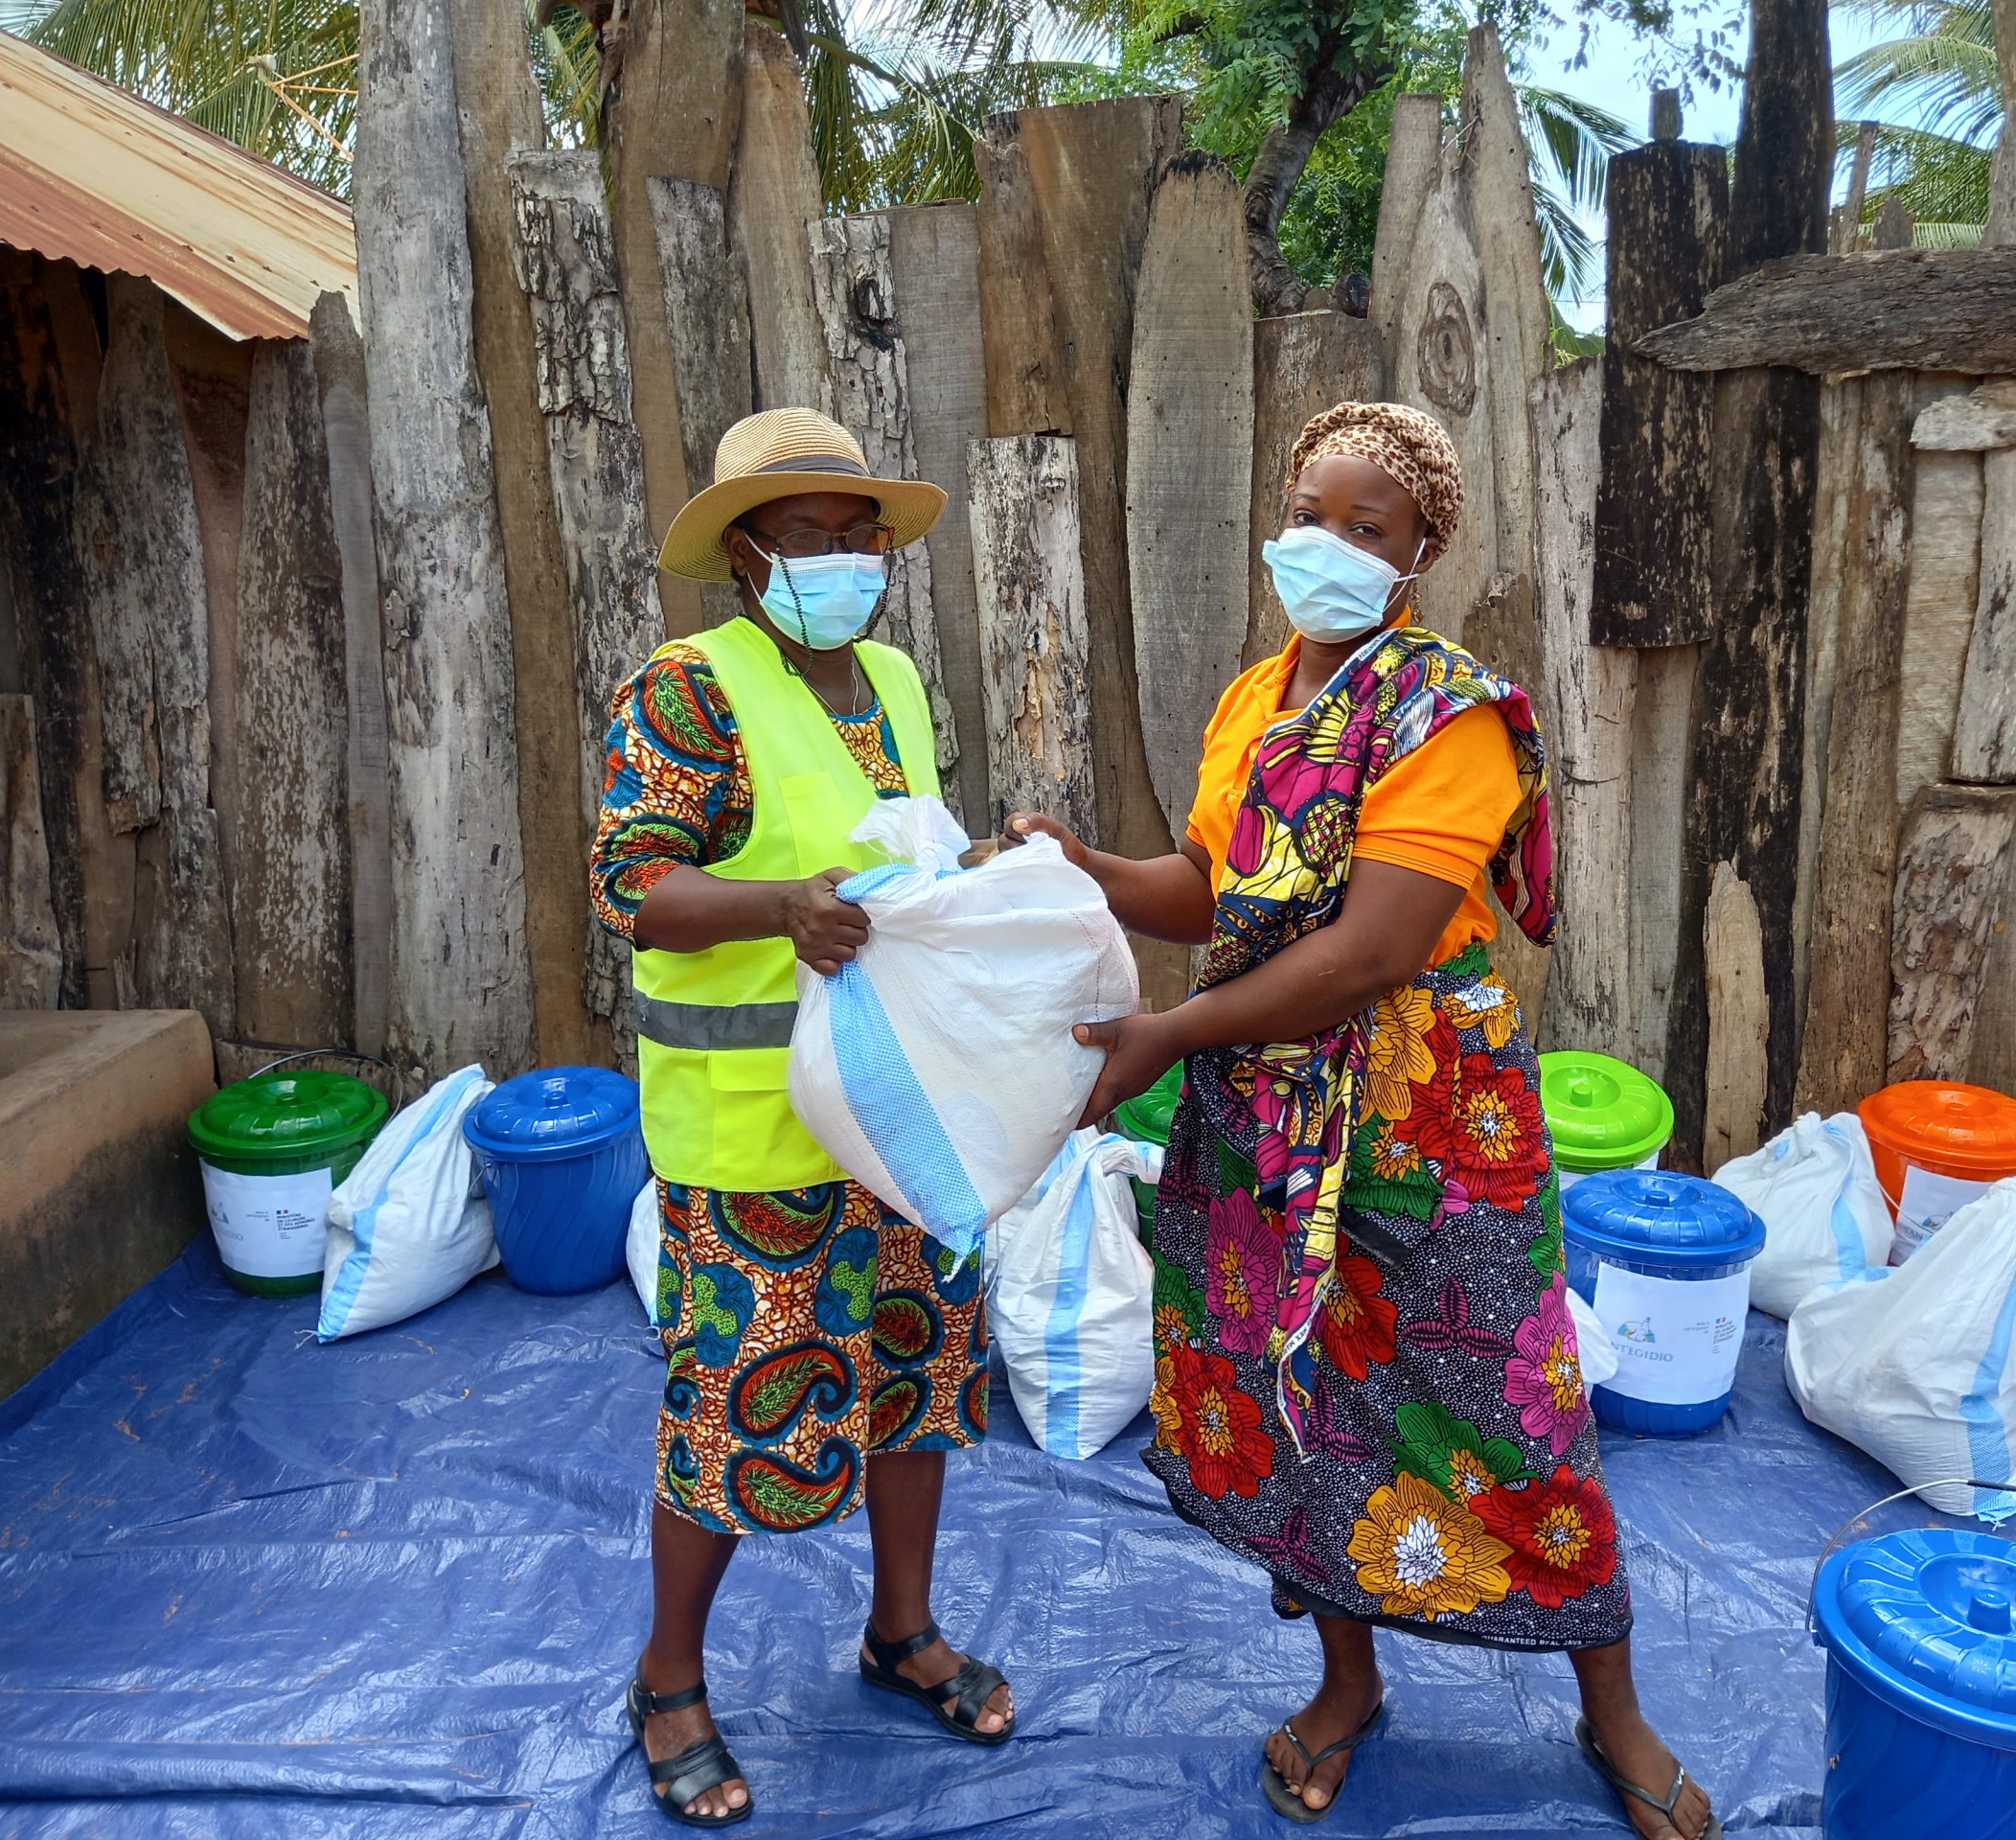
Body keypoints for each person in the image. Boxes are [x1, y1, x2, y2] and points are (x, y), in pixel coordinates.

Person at [1018, 402, 1717, 1839]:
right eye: (1311, 514)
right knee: (1300, 1399)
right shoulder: (1254, 696)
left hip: (1422, 1112)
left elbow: (1370, 951)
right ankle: (1349, 1686)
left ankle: (1615, 1713)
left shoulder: (1447, 712)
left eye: (1368, 528)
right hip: (1266, 1104)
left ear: (1420, 555)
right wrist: (1085, 867)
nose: (1326, 545)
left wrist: (1167, 1033)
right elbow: (1220, 892)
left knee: (1508, 1399)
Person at [592, 409, 1012, 1827]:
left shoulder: (889, 676)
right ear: (747, 550)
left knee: (915, 1376)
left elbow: (894, 856)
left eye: (860, 534)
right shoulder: (690, 689)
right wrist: (783, 909)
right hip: (756, 1132)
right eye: (812, 535)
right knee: (733, 1401)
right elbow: (636, 890)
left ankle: (901, 1631)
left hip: (900, 1124)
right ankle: (668, 1677)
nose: (844, 558)